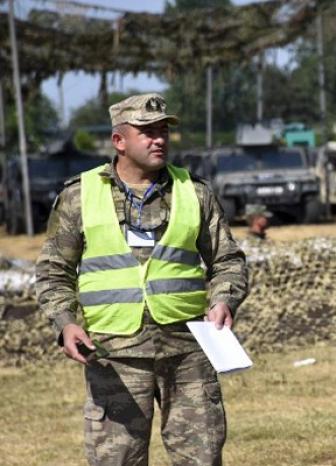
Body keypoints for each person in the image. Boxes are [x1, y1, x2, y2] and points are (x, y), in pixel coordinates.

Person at [35, 93, 249, 466]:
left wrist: (223, 299)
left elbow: (228, 260)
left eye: (163, 130)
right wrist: (66, 324)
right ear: (119, 141)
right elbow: (53, 272)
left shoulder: (195, 193)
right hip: (114, 358)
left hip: (187, 354)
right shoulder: (79, 197)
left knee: (201, 458)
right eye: (147, 131)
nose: (160, 139)